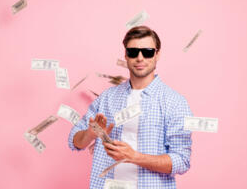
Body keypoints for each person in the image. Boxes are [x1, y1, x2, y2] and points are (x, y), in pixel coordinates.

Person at [68, 26, 193, 189]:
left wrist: (134, 156)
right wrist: (90, 134)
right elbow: (74, 141)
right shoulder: (108, 98)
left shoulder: (174, 102)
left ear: (157, 54)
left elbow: (182, 160)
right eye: (133, 52)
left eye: (147, 52)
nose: (140, 58)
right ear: (126, 55)